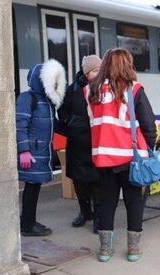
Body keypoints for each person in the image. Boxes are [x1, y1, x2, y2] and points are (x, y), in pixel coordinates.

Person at [85, 48, 156, 262]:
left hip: (104, 158)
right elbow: (148, 125)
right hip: (130, 158)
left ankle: (105, 250)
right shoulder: (134, 90)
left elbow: (91, 123)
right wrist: (148, 148)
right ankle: (133, 249)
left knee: (107, 203)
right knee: (134, 202)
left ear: (105, 65)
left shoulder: (91, 91)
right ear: (127, 65)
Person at [16, 59, 66, 236]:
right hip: (31, 153)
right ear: (41, 80)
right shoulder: (26, 98)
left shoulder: (47, 101)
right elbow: (19, 125)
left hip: (42, 151)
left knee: (34, 186)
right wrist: (24, 151)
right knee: (31, 186)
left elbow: (55, 124)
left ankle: (29, 221)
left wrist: (73, 130)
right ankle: (27, 225)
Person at [58, 55, 102, 233]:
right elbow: (62, 111)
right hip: (77, 143)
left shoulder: (104, 88)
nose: (98, 73)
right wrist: (70, 125)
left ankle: (99, 218)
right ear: (86, 72)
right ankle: (85, 212)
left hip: (97, 143)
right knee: (79, 182)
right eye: (94, 70)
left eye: (100, 69)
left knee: (98, 183)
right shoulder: (74, 88)